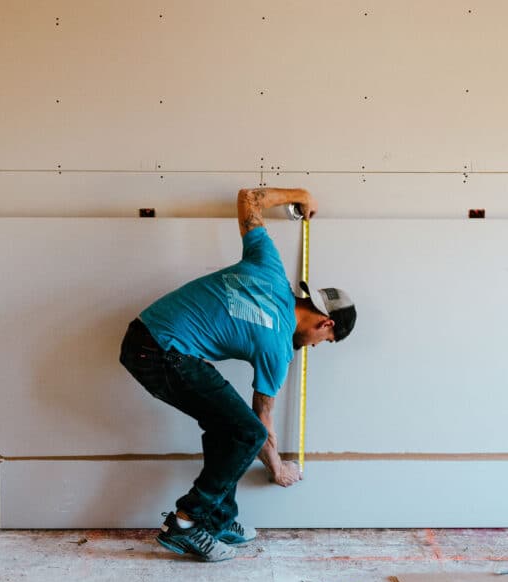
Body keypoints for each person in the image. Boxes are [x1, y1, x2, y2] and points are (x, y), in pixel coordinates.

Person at [119, 188, 357, 561]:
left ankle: (218, 520)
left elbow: (249, 198)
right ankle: (185, 523)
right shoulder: (277, 348)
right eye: (324, 341)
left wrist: (300, 194)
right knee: (247, 431)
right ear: (326, 323)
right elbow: (261, 424)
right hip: (160, 352)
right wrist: (278, 469)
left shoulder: (269, 266)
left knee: (227, 427)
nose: (314, 347)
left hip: (148, 339)